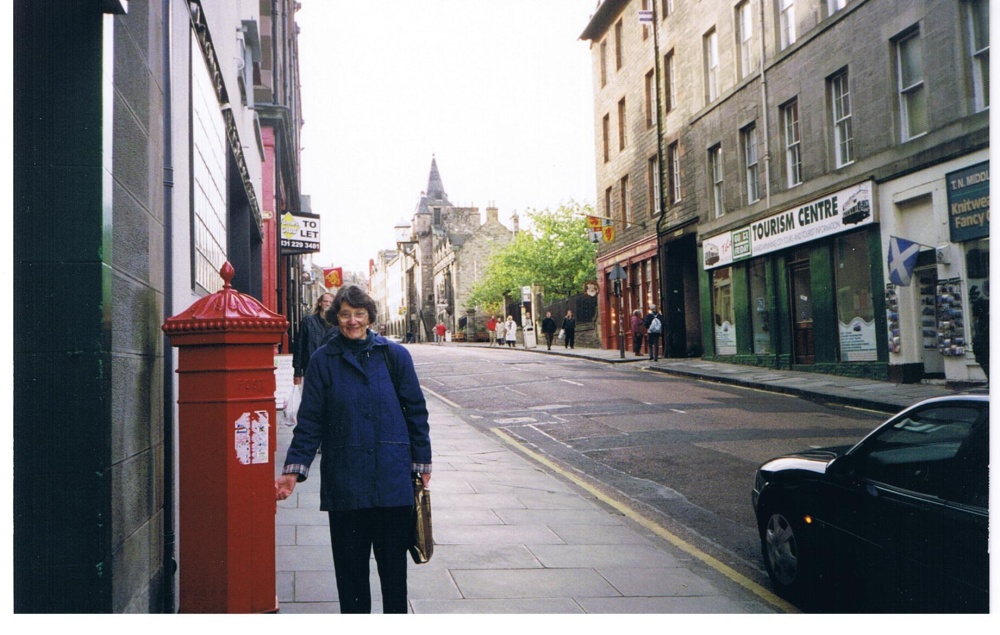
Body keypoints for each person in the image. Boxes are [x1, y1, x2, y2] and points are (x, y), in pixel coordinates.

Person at [275, 285, 431, 614]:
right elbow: (311, 420)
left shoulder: (394, 356)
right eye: (345, 314)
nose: (352, 321)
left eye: (359, 314)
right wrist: (293, 469)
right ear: (335, 318)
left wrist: (422, 462)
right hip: (345, 483)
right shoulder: (323, 361)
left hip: (391, 482)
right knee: (351, 579)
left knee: (394, 577)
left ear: (370, 317)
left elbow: (415, 410)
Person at [293, 293, 337, 385]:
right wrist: (297, 373)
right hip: (311, 369)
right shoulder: (308, 322)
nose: (328, 304)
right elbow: (299, 347)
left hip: (331, 371)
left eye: (330, 302)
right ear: (320, 303)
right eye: (325, 301)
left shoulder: (337, 326)